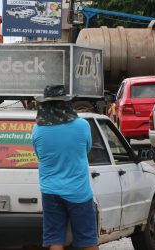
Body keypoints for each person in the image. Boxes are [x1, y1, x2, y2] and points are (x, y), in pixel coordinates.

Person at [32, 85, 98, 250]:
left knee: (55, 241)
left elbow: (39, 156)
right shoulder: (82, 125)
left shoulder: (38, 130)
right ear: (67, 103)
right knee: (88, 240)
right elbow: (86, 149)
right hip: (79, 191)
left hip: (50, 191)